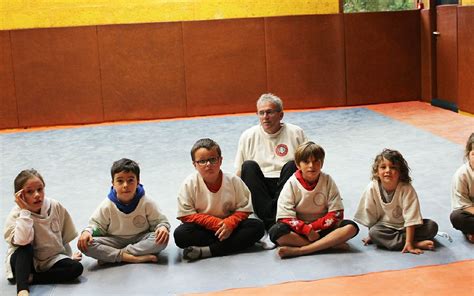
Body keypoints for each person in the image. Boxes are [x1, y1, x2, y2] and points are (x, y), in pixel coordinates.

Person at [174, 138, 265, 260]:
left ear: (220, 160)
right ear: (194, 164)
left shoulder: (233, 181)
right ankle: (229, 246)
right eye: (202, 161)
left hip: (230, 228)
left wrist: (229, 223)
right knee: (180, 235)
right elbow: (185, 215)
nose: (208, 165)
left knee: (257, 227)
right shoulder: (189, 184)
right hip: (205, 229)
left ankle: (207, 251)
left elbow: (245, 209)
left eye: (212, 159)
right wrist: (214, 223)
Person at [268, 142, 359, 258]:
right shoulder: (292, 183)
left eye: (316, 161)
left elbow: (336, 213)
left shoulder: (327, 180)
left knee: (351, 227)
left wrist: (312, 229)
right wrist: (306, 230)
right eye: (306, 162)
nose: (312, 165)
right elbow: (285, 217)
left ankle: (302, 250)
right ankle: (329, 245)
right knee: (276, 232)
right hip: (299, 230)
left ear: (322, 163)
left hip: (323, 228)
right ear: (298, 165)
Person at [4, 169, 83, 296]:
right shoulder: (16, 214)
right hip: (24, 262)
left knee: (76, 268)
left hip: (50, 260)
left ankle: (33, 278)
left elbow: (61, 236)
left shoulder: (54, 206)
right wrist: (25, 212)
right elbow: (23, 241)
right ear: (19, 196)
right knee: (25, 248)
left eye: (40, 189)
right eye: (30, 191)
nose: (37, 195)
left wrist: (68, 258)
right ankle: (22, 288)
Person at [235, 93, 308, 231]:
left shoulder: (296, 132)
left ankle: (270, 226)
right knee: (248, 166)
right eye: (261, 113)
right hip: (259, 188)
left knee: (293, 165)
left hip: (287, 184)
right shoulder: (248, 136)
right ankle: (275, 225)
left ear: (281, 115)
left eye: (269, 112)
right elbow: (239, 172)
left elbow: (309, 164)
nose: (265, 117)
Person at [77, 158, 170, 264]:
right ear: (113, 183)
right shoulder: (107, 205)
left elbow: (161, 222)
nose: (125, 185)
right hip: (114, 240)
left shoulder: (146, 201)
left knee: (162, 240)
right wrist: (86, 232)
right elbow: (96, 226)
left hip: (140, 238)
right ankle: (133, 258)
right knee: (86, 244)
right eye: (120, 181)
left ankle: (115, 256)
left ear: (138, 181)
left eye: (130, 180)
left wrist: (162, 227)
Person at [354, 149, 438, 254]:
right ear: (377, 171)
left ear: (400, 172)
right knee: (375, 232)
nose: (388, 170)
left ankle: (405, 242)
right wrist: (371, 235)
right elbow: (370, 214)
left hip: (406, 227)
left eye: (393, 167)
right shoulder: (372, 188)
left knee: (431, 226)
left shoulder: (406, 188)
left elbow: (411, 217)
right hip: (385, 227)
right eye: (383, 167)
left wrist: (409, 242)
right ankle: (416, 243)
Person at [450, 133, 474, 243]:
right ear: (468, 154)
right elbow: (464, 205)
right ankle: (469, 230)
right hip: (470, 211)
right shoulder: (461, 175)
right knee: (456, 217)